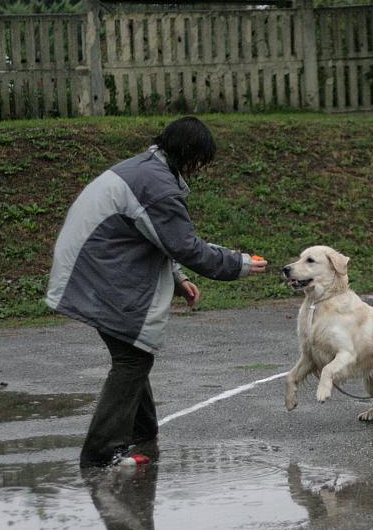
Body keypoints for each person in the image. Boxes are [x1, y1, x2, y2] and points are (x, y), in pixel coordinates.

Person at [45, 116, 267, 468]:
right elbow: (186, 246)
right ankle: (100, 452)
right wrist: (238, 264)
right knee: (132, 358)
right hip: (99, 272)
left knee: (135, 352)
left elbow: (152, 234)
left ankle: (143, 435)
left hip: (93, 266)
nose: (199, 170)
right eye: (199, 162)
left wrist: (177, 279)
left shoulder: (148, 169)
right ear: (188, 154)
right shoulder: (157, 185)